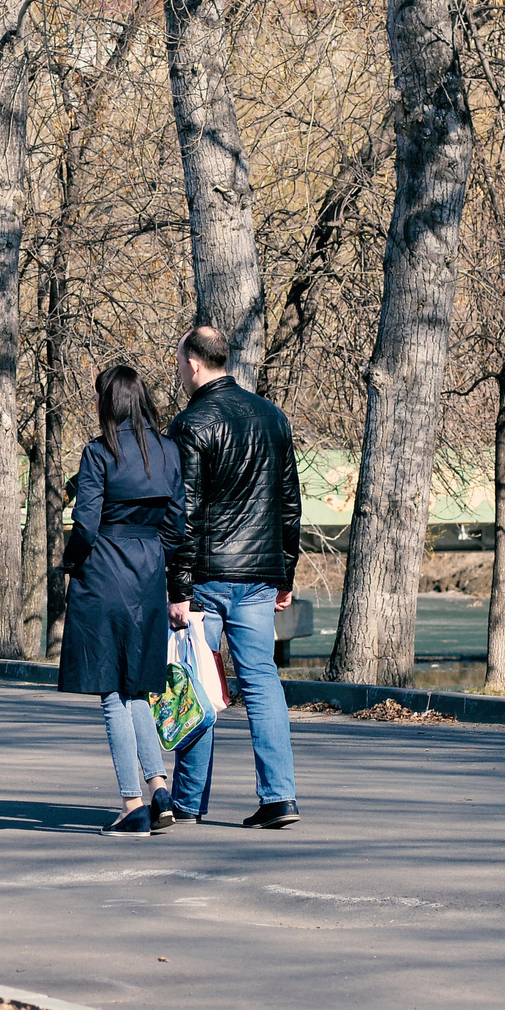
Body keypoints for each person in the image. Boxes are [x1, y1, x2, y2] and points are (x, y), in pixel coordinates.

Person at [165, 325, 303, 827]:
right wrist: (284, 571)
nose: (179, 370)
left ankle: (188, 801)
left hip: (205, 577)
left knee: (198, 682)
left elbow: (184, 512)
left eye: (180, 362)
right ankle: (279, 797)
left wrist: (176, 586)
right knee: (262, 681)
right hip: (260, 576)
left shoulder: (191, 424)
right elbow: (290, 504)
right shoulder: (272, 418)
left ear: (195, 364)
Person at [59, 366, 185, 835]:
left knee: (111, 689)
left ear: (107, 404)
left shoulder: (99, 453)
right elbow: (177, 524)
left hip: (104, 572)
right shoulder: (168, 451)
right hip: (148, 571)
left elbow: (86, 522)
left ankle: (132, 802)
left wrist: (70, 563)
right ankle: (159, 787)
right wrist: (154, 557)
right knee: (137, 688)